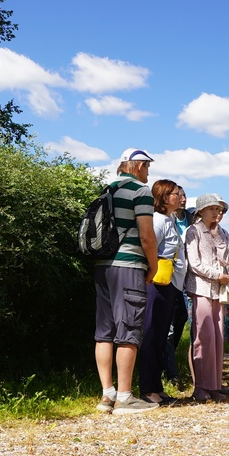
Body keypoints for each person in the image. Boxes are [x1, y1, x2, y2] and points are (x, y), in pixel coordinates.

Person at [94, 148, 159, 414]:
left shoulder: (105, 190)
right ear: (138, 166)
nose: (148, 173)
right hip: (128, 265)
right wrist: (152, 266)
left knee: (104, 332)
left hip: (102, 266)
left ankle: (107, 395)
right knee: (129, 331)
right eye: (147, 167)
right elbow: (146, 236)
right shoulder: (140, 192)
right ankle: (125, 397)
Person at [184, 193, 229, 401]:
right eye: (213, 208)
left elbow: (228, 258)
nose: (217, 212)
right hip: (201, 288)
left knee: (217, 337)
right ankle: (200, 386)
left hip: (218, 292)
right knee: (203, 337)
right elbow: (194, 263)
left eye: (219, 209)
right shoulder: (192, 232)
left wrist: (217, 239)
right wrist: (217, 275)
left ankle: (214, 385)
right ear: (201, 211)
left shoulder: (222, 232)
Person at [137, 179, 183, 405]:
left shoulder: (170, 219)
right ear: (164, 197)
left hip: (171, 284)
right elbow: (150, 246)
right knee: (152, 333)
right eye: (176, 193)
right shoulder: (157, 220)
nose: (180, 197)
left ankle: (156, 386)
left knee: (161, 335)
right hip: (158, 283)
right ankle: (147, 388)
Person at [163, 184, 192, 386]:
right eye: (179, 195)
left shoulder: (191, 218)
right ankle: (171, 372)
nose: (183, 199)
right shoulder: (166, 218)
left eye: (184, 195)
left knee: (181, 318)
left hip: (187, 277)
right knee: (169, 324)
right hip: (170, 275)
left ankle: (170, 360)